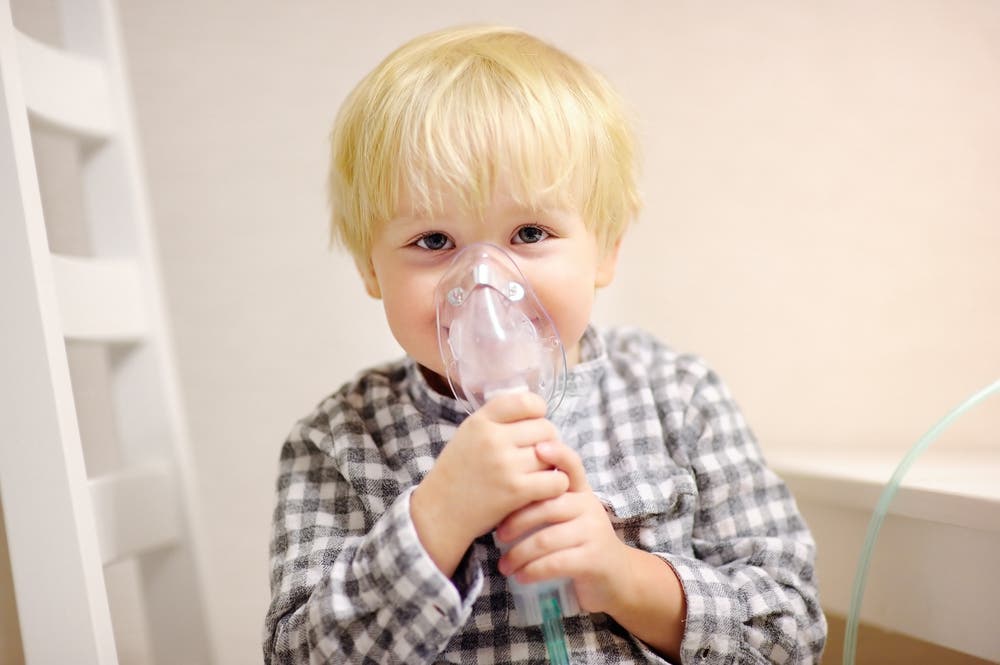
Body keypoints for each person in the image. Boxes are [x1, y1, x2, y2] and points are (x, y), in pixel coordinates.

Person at [263, 24, 827, 665]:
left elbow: (792, 634)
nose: (484, 281)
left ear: (606, 251)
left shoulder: (677, 398)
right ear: (370, 268)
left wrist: (624, 577)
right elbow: (298, 656)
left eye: (529, 232)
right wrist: (437, 517)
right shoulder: (341, 439)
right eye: (433, 242)